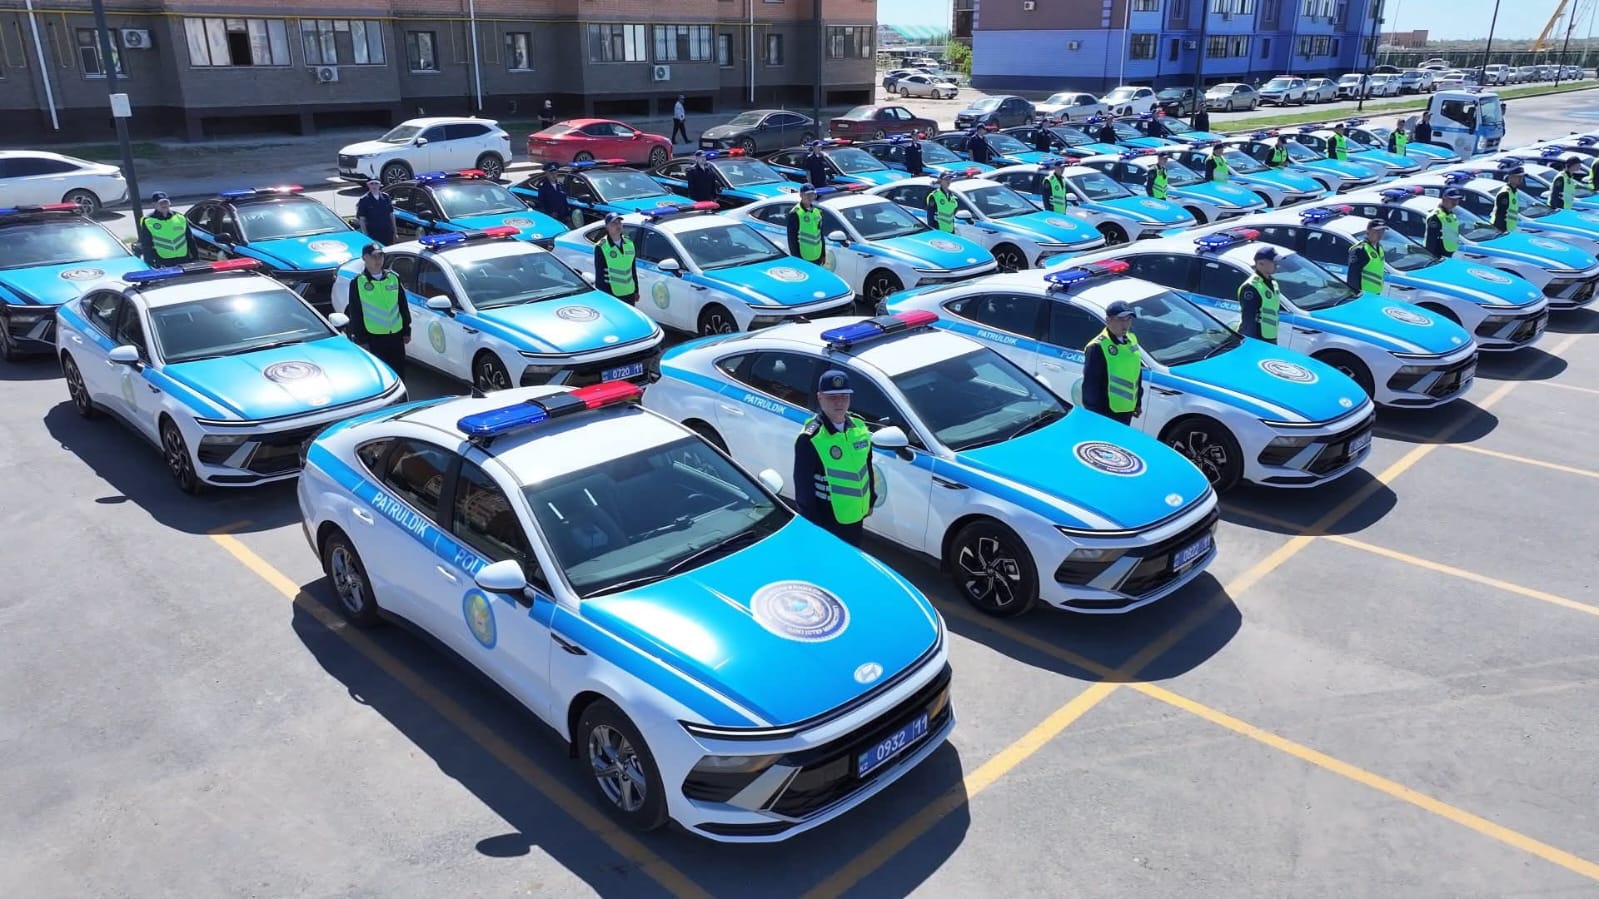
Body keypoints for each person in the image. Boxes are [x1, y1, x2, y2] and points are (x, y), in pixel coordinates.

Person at [793, 369, 876, 546]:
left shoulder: (859, 427)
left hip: (856, 514)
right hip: (828, 520)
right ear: (820, 397)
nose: (839, 402)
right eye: (832, 397)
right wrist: (813, 527)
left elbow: (867, 467)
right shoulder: (811, 438)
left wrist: (871, 500)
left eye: (844, 396)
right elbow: (804, 490)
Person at [344, 243, 410, 377]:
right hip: (374, 337)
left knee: (399, 373)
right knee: (382, 374)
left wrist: (406, 330)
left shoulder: (393, 278)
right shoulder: (358, 282)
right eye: (373, 256)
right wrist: (361, 339)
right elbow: (356, 312)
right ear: (364, 258)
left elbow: (402, 305)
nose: (378, 260)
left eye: (381, 256)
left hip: (396, 336)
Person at [1081, 300, 1143, 424]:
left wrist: (1137, 402)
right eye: (1120, 319)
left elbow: (1136, 372)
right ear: (1108, 320)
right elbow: (1091, 386)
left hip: (1126, 409)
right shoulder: (1097, 346)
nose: (1125, 324)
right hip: (1106, 412)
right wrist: (1093, 417)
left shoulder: (1132, 339)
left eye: (1128, 319)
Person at [1237, 246, 1283, 342]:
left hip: (1270, 336)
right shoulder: (1251, 287)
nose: (1276, 264)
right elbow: (1248, 320)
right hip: (1258, 338)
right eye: (1273, 261)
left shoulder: (1273, 282)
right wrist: (1251, 343)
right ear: (1261, 263)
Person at [592, 213, 638, 305]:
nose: (618, 225)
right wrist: (604, 297)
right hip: (612, 294)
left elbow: (632, 269)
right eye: (614, 223)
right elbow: (600, 275)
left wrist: (636, 290)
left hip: (629, 292)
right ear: (607, 227)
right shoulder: (601, 246)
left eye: (619, 222)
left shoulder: (629, 243)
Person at [139, 192, 194, 266]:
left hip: (183, 258)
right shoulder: (148, 220)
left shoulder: (180, 217)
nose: (164, 205)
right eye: (160, 203)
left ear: (169, 203)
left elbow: (190, 238)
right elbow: (146, 244)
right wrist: (149, 262)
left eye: (166, 202)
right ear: (154, 204)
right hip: (162, 260)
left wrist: (195, 257)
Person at [786, 184, 827, 266]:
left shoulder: (817, 211)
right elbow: (792, 240)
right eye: (807, 194)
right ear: (801, 195)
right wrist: (798, 260)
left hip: (817, 254)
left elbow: (820, 234)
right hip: (803, 257)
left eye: (812, 194)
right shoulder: (795, 213)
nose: (810, 197)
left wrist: (823, 254)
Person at [1345, 219, 1387, 294]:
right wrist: (1357, 294)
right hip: (1364, 295)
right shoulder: (1360, 250)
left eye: (1382, 231)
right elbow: (1353, 277)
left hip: (1376, 293)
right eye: (1376, 231)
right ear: (1368, 232)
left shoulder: (1380, 247)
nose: (1380, 234)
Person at [1423, 187, 1464, 257]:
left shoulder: (1450, 214)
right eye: (1452, 200)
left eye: (1457, 200)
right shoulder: (1436, 216)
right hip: (1440, 255)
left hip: (1450, 252)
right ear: (1444, 199)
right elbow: (1431, 241)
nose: (1455, 202)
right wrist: (1433, 257)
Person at [354, 179, 396, 246]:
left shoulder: (386, 197)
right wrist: (366, 236)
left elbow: (391, 215)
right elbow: (362, 220)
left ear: (380, 185)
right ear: (368, 185)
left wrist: (395, 231)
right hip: (373, 234)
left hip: (387, 233)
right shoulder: (364, 200)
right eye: (371, 183)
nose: (374, 186)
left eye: (376, 183)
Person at [1492, 164, 1524, 232]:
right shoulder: (1505, 193)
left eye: (1522, 177)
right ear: (1510, 178)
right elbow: (1500, 215)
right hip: (1503, 229)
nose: (1521, 179)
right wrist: (1503, 231)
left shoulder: (1514, 191)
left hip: (1510, 229)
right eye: (1518, 177)